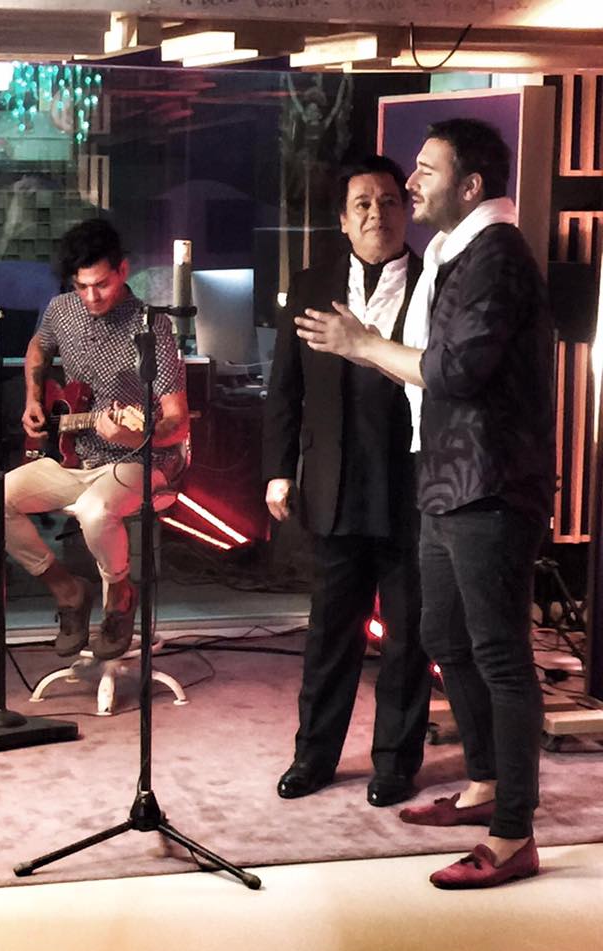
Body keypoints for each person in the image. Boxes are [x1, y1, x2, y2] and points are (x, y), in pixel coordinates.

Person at [295, 119, 554, 889]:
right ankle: (486, 784)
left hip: (490, 482)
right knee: (444, 635)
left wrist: (362, 344)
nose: (410, 184)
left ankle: (514, 835)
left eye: (426, 170)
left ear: (470, 186)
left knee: (500, 654)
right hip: (444, 476)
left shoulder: (497, 254)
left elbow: (456, 369)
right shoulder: (454, 251)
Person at [264, 155, 430, 808]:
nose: (376, 214)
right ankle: (313, 757)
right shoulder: (311, 285)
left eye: (388, 201)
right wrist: (278, 471)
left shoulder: (434, 283)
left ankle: (396, 762)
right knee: (330, 633)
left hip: (412, 483)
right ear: (342, 218)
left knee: (409, 636)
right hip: (334, 483)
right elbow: (285, 390)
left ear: (406, 210)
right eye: (362, 203)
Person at [0, 218, 189, 660]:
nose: (92, 297)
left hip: (140, 459)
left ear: (123, 270)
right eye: (82, 286)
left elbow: (178, 423)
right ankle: (68, 590)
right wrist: (33, 397)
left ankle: (120, 595)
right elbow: (38, 347)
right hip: (75, 457)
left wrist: (133, 432)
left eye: (102, 284)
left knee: (94, 510)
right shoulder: (62, 310)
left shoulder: (152, 327)